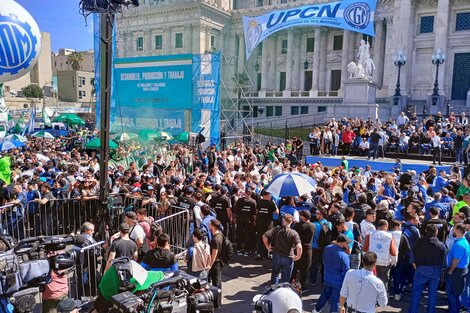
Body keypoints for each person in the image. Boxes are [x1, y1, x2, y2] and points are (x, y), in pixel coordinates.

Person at [408, 224, 446, 313]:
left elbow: (412, 257)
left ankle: (413, 311)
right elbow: (444, 263)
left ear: (426, 231)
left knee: (416, 293)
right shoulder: (441, 245)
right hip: (435, 271)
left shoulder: (418, 242)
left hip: (420, 269)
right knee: (432, 294)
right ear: (436, 232)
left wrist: (416, 267)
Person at [312, 234, 351, 313]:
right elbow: (347, 271)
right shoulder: (344, 256)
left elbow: (324, 260)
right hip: (338, 282)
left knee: (325, 294)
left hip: (327, 278)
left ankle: (316, 310)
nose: (348, 245)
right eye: (346, 243)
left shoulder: (327, 248)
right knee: (336, 299)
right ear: (341, 243)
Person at [263, 214, 302, 284]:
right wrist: (298, 257)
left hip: (277, 255)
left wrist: (267, 246)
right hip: (288, 257)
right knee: (285, 279)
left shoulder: (276, 229)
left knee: (275, 274)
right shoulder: (294, 233)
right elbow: (299, 247)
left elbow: (264, 236)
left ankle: (273, 290)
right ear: (291, 222)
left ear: (283, 221)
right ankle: (283, 291)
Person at [363, 219, 397, 287]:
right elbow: (393, 252)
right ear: (386, 226)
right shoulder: (389, 235)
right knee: (383, 282)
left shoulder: (370, 234)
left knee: (371, 281)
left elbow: (365, 249)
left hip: (372, 262)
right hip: (384, 263)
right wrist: (393, 262)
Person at [446, 223, 470, 313]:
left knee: (452, 294)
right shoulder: (463, 242)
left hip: (456, 272)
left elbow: (456, 260)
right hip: (460, 271)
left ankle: (453, 311)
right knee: (456, 293)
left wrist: (450, 271)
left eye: (454, 229)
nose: (452, 230)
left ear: (457, 231)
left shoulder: (459, 244)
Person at [293, 210, 315, 292]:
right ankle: (302, 285)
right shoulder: (313, 226)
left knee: (295, 266)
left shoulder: (298, 225)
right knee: (305, 268)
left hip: (298, 247)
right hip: (308, 249)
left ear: (303, 217)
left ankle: (293, 282)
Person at [310, 208, 332, 285]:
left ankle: (312, 280)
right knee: (324, 265)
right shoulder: (329, 224)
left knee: (314, 264)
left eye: (318, 213)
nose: (316, 215)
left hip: (315, 247)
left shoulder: (315, 225)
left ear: (321, 215)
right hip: (325, 247)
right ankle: (323, 280)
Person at [255, 189, 278, 260]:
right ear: (267, 195)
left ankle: (259, 253)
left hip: (260, 222)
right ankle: (268, 253)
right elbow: (277, 212)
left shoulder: (258, 202)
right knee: (268, 238)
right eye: (269, 194)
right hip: (268, 224)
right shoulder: (271, 203)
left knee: (260, 237)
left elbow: (256, 211)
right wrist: (274, 204)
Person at [208, 219, 224, 288]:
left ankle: (217, 298)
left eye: (210, 224)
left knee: (215, 283)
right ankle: (219, 298)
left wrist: (210, 265)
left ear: (213, 226)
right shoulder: (220, 234)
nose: (208, 225)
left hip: (216, 263)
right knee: (218, 281)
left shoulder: (215, 239)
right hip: (220, 261)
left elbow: (214, 254)